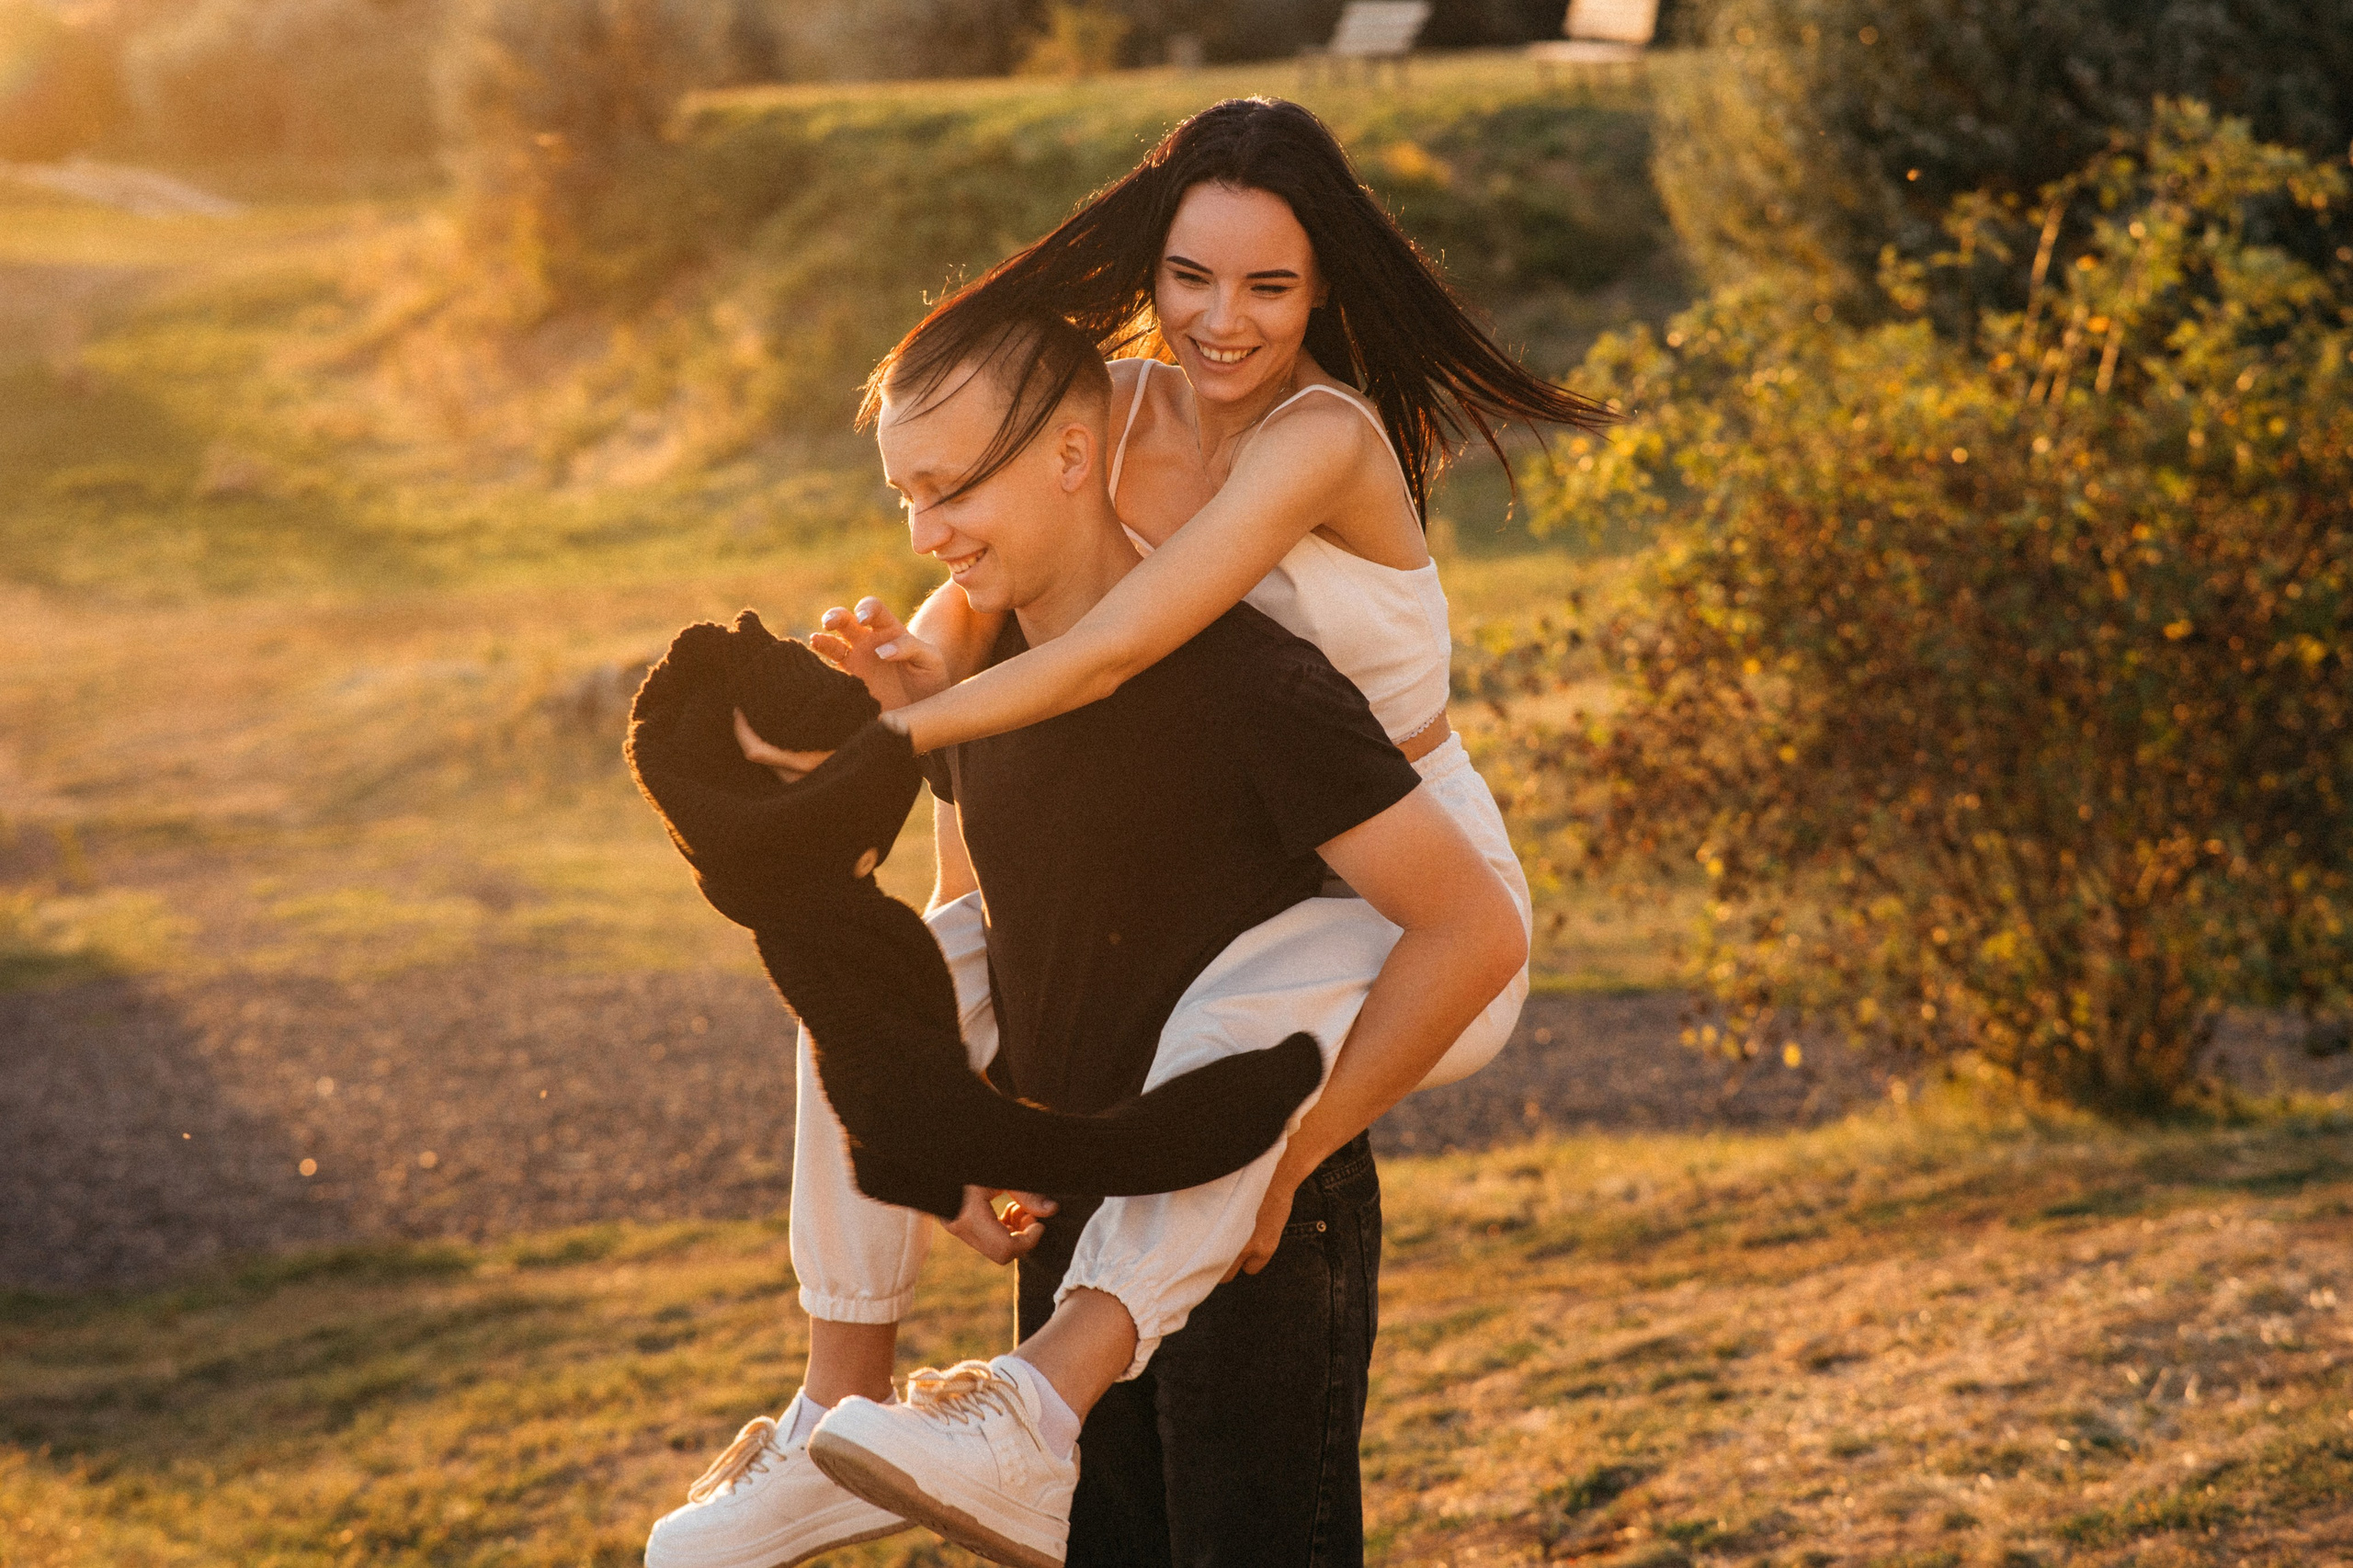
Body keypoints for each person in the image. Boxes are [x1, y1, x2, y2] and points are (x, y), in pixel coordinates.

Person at [644, 95, 1605, 1567]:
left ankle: (1040, 1409)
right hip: (1212, 855)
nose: (1223, 322)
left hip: (1393, 873)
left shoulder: (1322, 440)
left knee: (1231, 1037)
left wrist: (1284, 1161)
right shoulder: (1103, 408)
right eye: (1191, 277)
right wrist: (894, 702)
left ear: (1323, 286)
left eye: (1269, 285)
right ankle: (829, 1413)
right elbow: (971, 595)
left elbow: (1110, 650)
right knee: (868, 986)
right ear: (1149, 268)